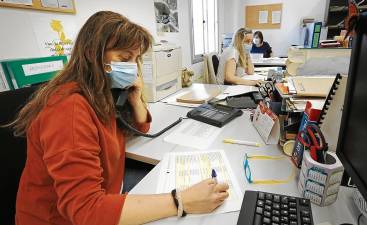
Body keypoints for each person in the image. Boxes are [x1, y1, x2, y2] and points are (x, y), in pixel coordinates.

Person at [11, 11, 229, 225]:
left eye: (136, 59)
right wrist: (180, 201)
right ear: (91, 54)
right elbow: (86, 210)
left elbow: (141, 127)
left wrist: (134, 98)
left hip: (111, 189)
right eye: (124, 58)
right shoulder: (69, 108)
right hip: (61, 218)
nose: (133, 67)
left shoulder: (102, 91)